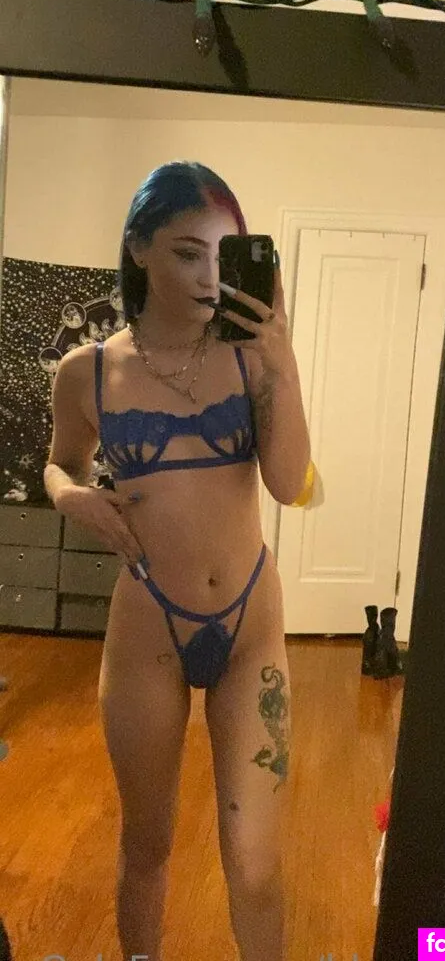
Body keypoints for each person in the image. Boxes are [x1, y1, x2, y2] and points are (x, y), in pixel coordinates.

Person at [43, 161, 311, 961]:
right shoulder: (88, 372)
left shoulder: (251, 358)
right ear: (139, 248)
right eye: (188, 252)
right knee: (147, 845)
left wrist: (283, 363)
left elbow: (288, 482)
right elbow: (59, 462)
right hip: (147, 627)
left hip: (250, 625)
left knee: (255, 863)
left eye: (223, 257)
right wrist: (71, 496)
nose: (207, 276)